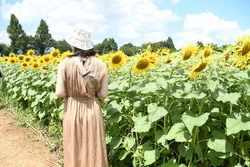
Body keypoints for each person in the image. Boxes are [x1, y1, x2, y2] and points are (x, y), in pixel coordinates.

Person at [55, 24, 109, 167]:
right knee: (94, 147)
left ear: (73, 43)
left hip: (72, 109)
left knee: (74, 146)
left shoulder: (64, 63)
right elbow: (103, 94)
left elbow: (59, 92)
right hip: (93, 109)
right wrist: (91, 93)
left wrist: (73, 92)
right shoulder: (101, 65)